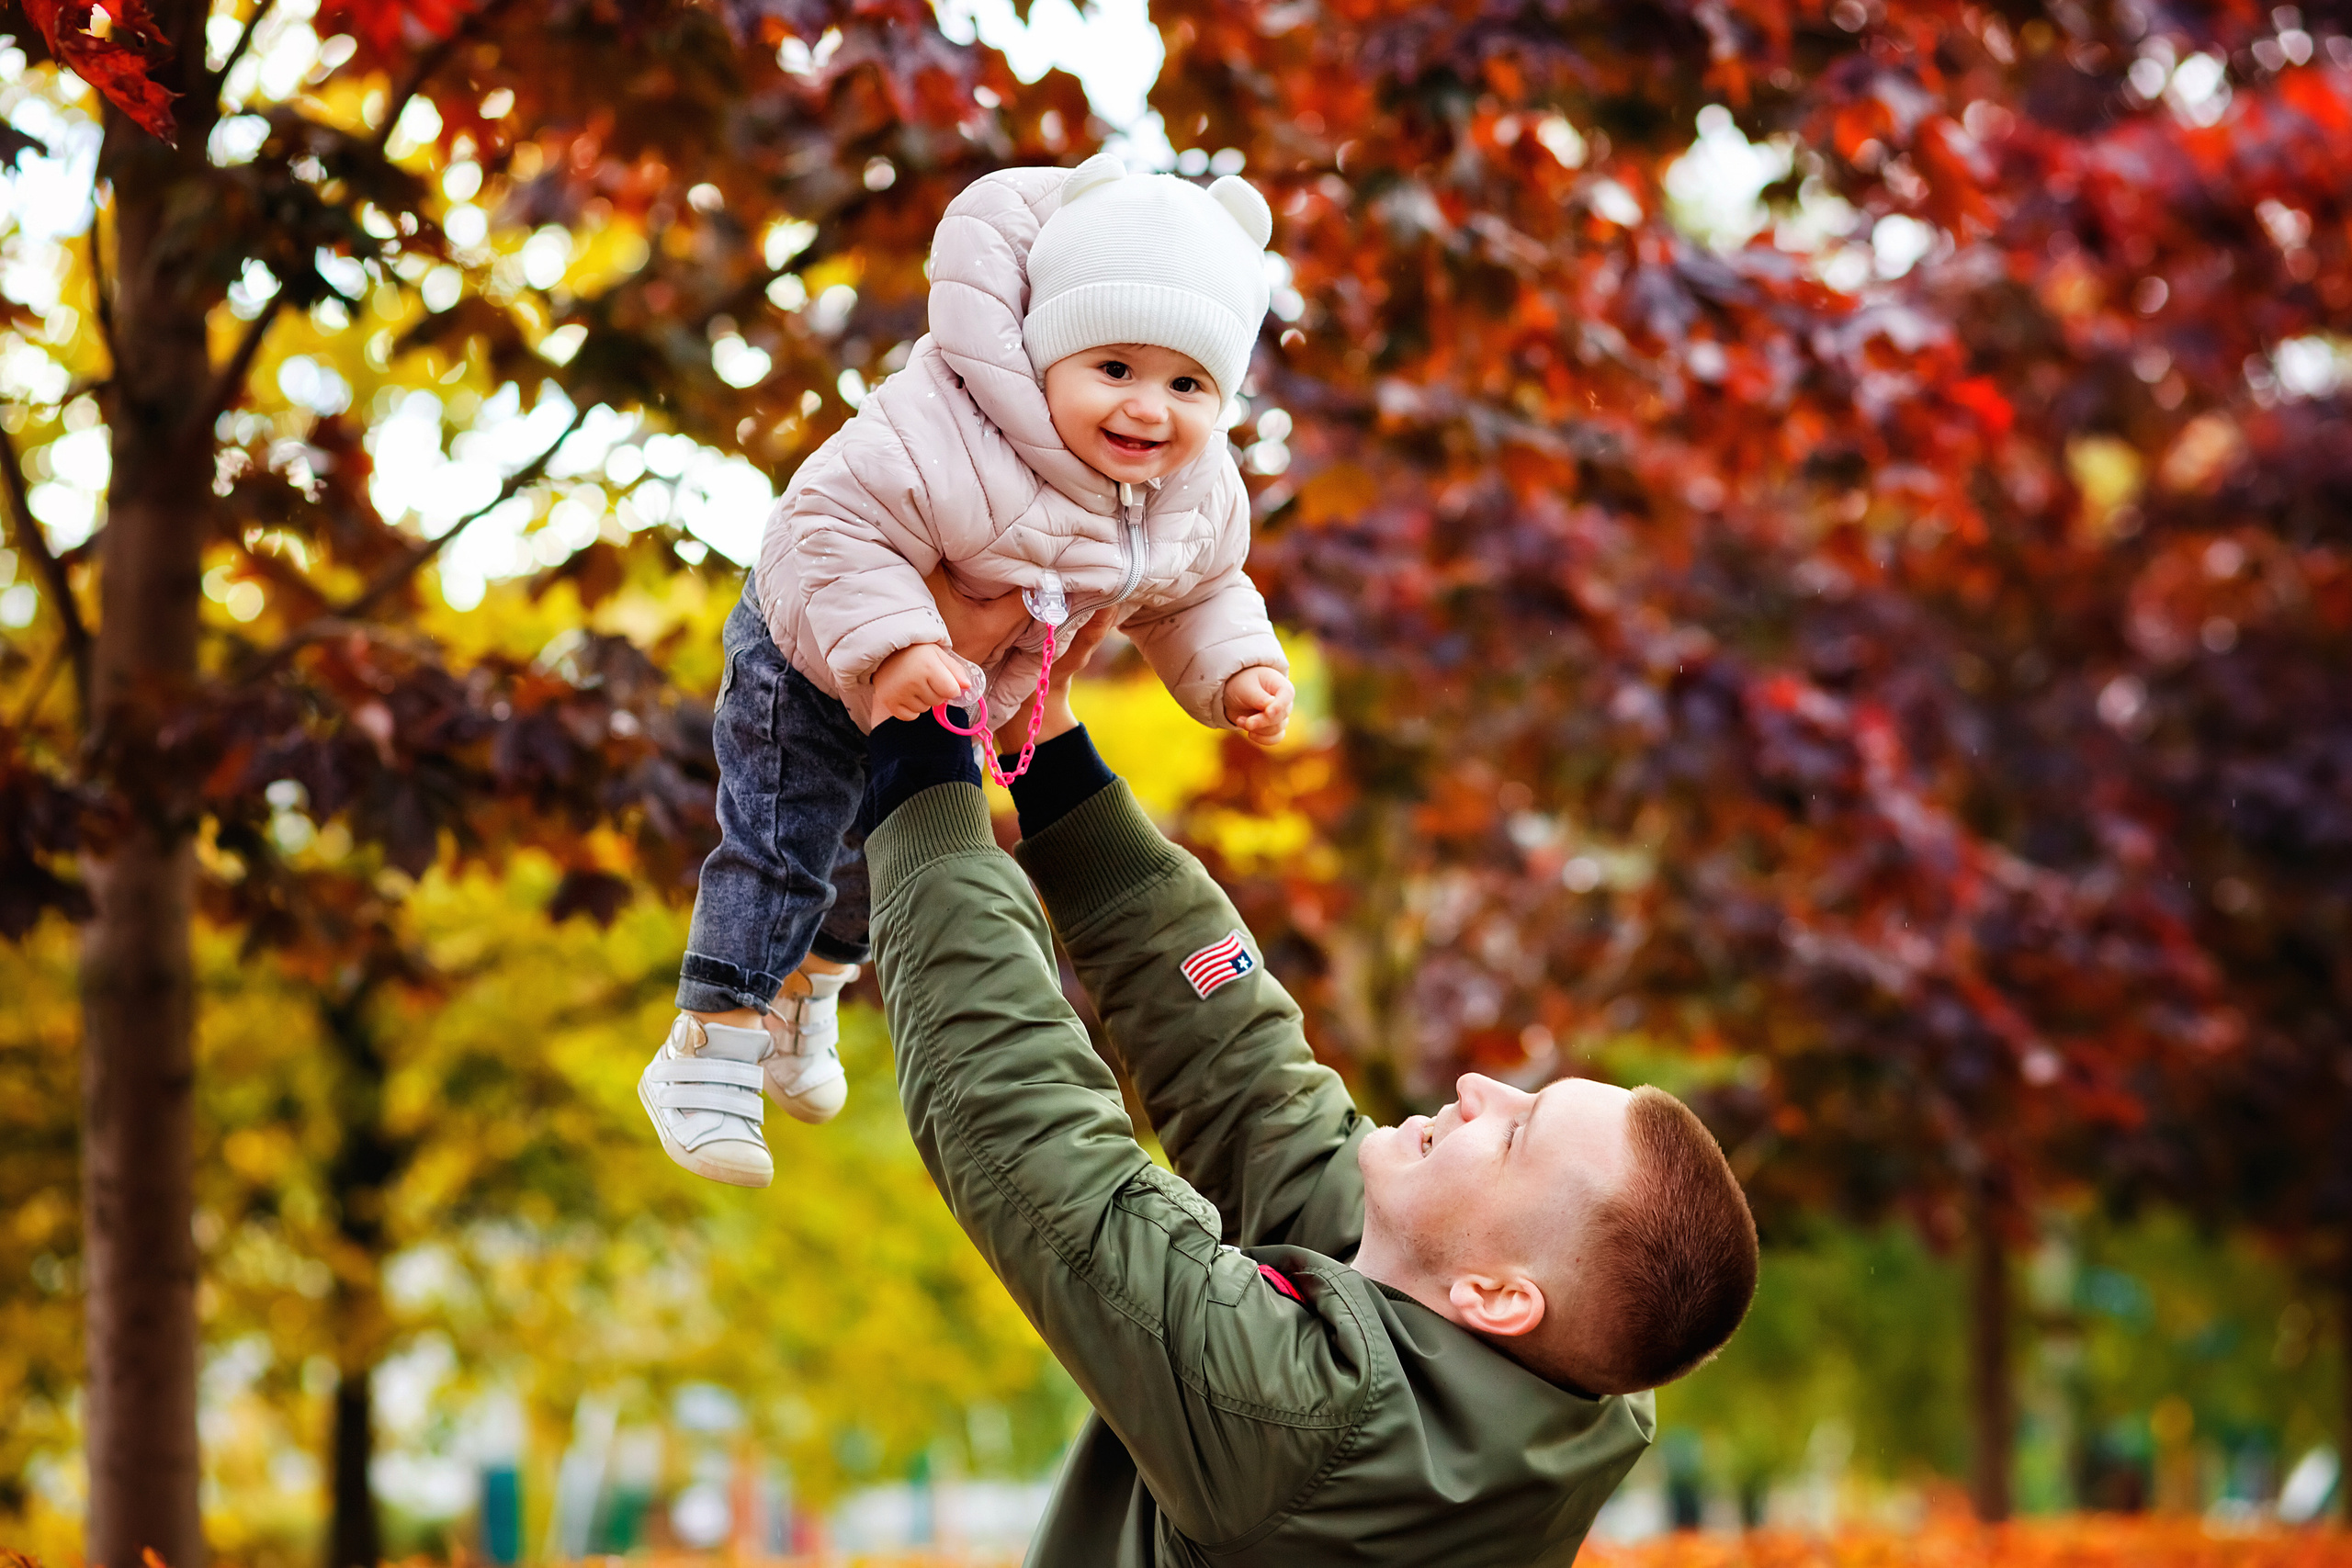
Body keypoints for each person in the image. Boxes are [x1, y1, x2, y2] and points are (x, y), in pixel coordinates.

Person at [851, 604, 1762, 1565]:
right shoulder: (1525, 1354)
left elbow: (1030, 1142)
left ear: (1496, 1297)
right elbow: (1247, 1085)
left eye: (1512, 1133)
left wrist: (925, 759)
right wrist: (1041, 748)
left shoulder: (1312, 1431)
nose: (1477, 1088)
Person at [640, 153, 1298, 1186]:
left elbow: (1202, 590)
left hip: (949, 693)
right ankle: (708, 1043)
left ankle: (805, 999)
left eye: (1187, 383)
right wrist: (899, 645)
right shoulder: (951, 424)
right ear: (1042, 353)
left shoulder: (1191, 492)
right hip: (815, 656)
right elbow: (825, 524)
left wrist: (1238, 671)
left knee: (876, 873)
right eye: (1113, 369)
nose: (1147, 409)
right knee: (785, 846)